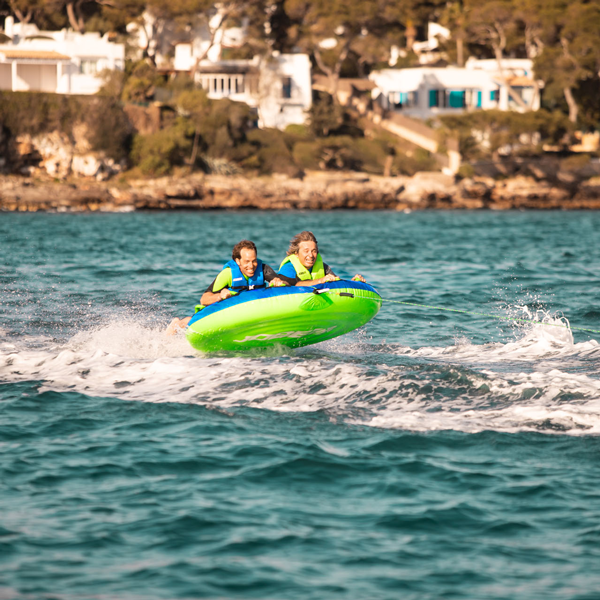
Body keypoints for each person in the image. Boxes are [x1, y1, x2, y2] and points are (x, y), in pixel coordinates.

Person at [166, 239, 293, 334]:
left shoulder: (263, 269)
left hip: (251, 311)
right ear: (238, 261)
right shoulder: (228, 274)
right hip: (226, 310)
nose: (252, 265)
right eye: (247, 261)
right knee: (190, 321)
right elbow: (204, 299)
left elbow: (285, 284)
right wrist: (219, 296)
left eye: (254, 260)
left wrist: (278, 283)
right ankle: (177, 323)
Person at [278, 231, 366, 286]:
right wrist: (320, 280)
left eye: (314, 251)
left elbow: (337, 284)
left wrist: (354, 282)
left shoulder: (323, 268)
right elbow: (294, 285)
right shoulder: (288, 268)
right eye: (306, 251)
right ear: (296, 254)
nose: (311, 255)